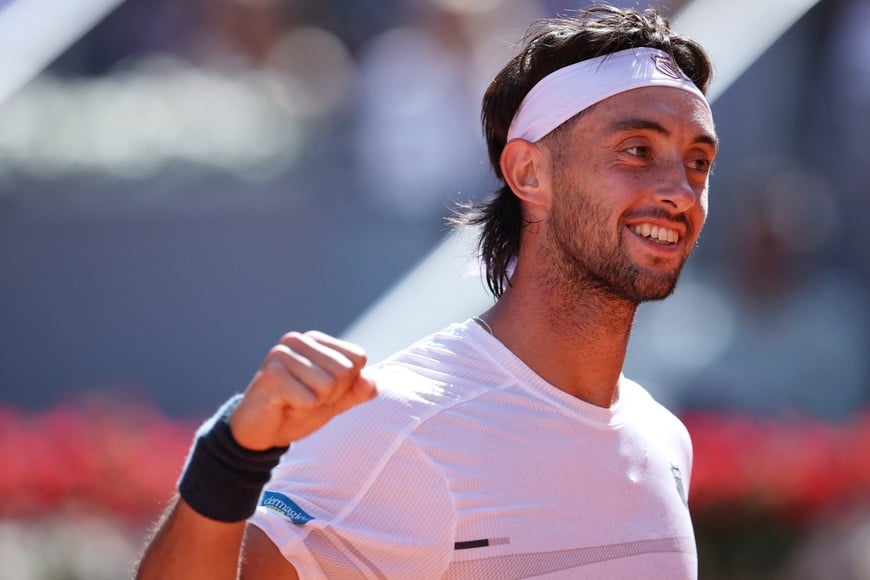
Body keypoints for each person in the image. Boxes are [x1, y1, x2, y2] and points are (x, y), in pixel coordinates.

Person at [135, 4, 718, 578]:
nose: (682, 191)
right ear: (528, 173)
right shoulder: (397, 423)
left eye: (698, 161)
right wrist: (231, 458)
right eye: (638, 150)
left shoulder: (664, 438)